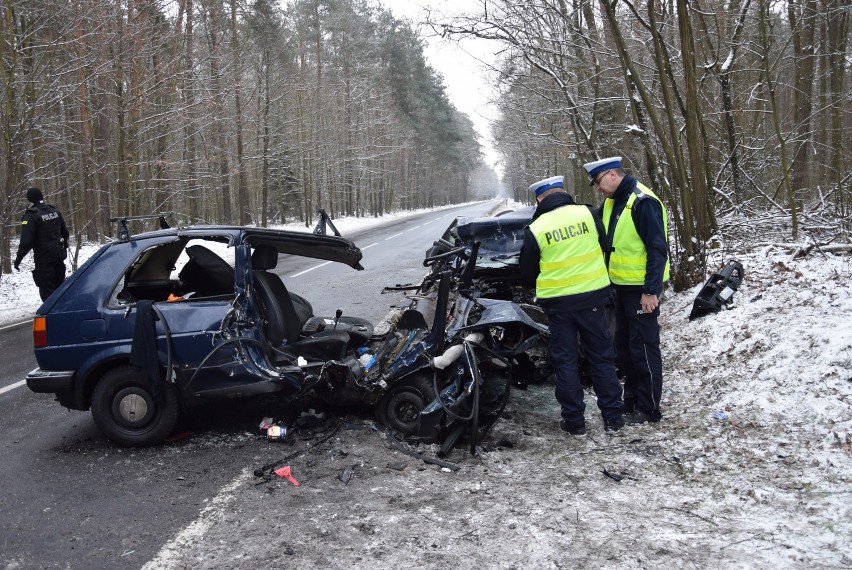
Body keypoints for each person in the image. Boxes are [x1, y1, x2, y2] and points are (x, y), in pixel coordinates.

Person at [519, 175, 624, 435]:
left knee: (565, 363)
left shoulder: (536, 227)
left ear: (539, 199)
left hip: (558, 306)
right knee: (602, 359)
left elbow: (527, 272)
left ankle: (575, 423)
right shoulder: (588, 214)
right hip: (593, 301)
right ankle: (613, 418)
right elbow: (603, 246)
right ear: (563, 191)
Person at [583, 157, 669, 425]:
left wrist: (651, 291)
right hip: (620, 288)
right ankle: (631, 401)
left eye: (597, 182)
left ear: (611, 174)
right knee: (626, 348)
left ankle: (649, 409)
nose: (597, 188)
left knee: (644, 347)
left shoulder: (643, 202)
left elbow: (657, 248)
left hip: (641, 290)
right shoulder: (612, 202)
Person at [14, 187, 70, 301]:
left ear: (30, 199)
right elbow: (65, 233)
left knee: (47, 292)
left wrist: (19, 258)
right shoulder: (54, 211)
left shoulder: (31, 216)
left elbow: (26, 241)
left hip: (44, 260)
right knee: (60, 290)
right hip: (58, 256)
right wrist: (63, 248)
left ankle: (51, 317)